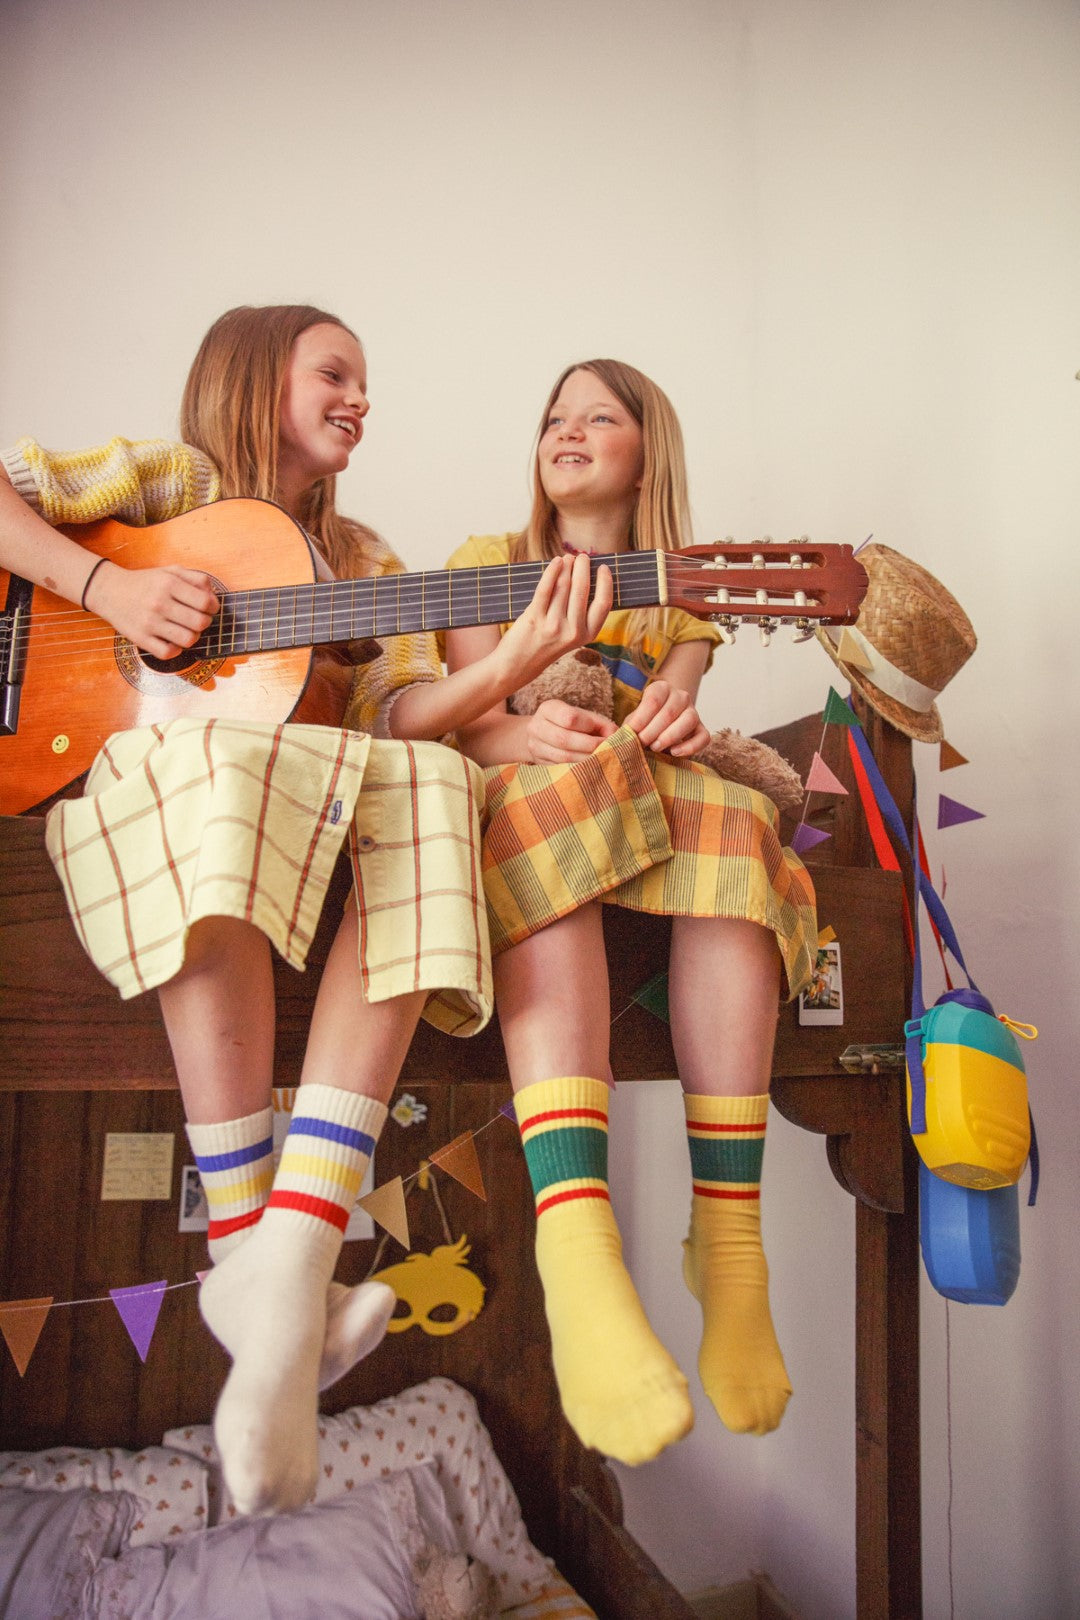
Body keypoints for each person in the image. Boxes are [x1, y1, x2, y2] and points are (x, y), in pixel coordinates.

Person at [0, 305, 612, 1514]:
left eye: (366, 383)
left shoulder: (371, 567)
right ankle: (255, 1252)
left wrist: (506, 664)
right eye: (336, 373)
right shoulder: (169, 483)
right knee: (219, 766)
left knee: (439, 780)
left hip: (279, 802)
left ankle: (283, 1260)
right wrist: (106, 591)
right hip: (131, 776)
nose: (361, 400)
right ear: (254, 373)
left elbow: (399, 719)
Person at [442, 359, 818, 1468]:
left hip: (639, 801)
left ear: (647, 447)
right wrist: (524, 736)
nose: (567, 430)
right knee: (544, 813)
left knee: (739, 824)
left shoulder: (685, 601)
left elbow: (673, 714)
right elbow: (470, 719)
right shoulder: (484, 565)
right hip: (535, 787)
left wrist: (679, 726)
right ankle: (578, 1245)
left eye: (597, 416)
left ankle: (731, 1242)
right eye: (554, 416)